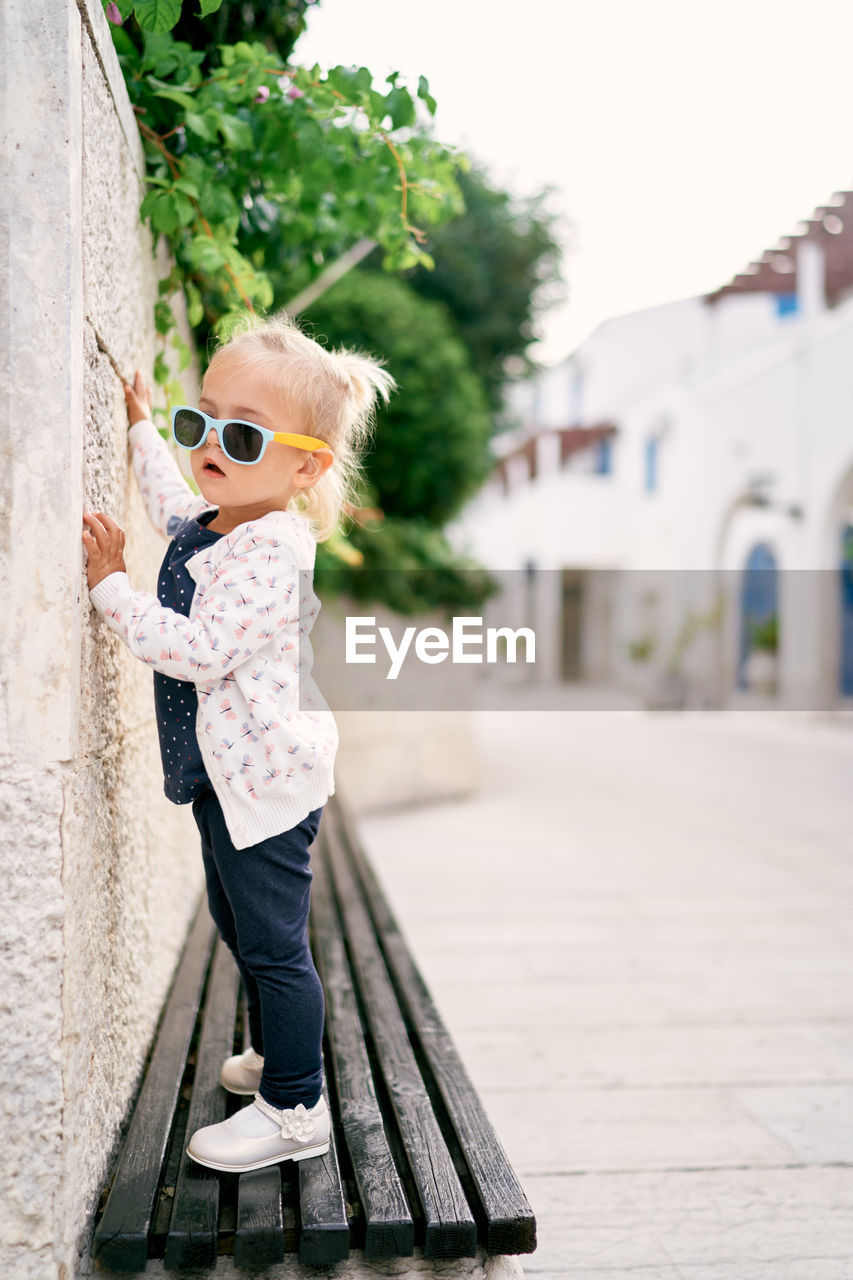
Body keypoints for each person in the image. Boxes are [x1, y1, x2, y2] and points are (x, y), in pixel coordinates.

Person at [82, 312, 394, 1173]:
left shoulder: (270, 551)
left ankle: (295, 1108)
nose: (211, 444)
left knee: (272, 945)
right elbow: (170, 502)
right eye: (202, 420)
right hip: (230, 777)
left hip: (266, 784)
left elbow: (202, 650)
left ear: (306, 466)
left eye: (242, 434)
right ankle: (275, 1058)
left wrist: (111, 589)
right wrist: (146, 426)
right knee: (237, 919)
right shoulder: (222, 516)